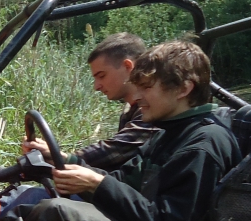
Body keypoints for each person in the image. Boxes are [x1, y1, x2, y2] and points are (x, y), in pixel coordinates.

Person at [0, 40, 242, 221]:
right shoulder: (168, 133)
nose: (138, 97)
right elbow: (121, 181)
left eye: (146, 87)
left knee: (57, 214)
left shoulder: (203, 144)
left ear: (183, 88)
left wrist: (96, 184)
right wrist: (74, 168)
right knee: (24, 211)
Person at [23, 32, 159, 170]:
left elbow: (116, 149)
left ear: (128, 66)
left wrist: (61, 157)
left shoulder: (152, 111)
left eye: (102, 76)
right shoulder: (130, 109)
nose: (96, 86)